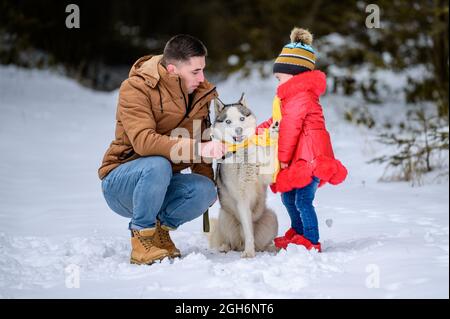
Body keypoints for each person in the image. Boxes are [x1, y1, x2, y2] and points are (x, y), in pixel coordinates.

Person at [98, 34, 226, 265]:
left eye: (203, 70)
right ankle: (141, 239)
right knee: (157, 163)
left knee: (205, 189)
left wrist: (206, 196)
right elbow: (144, 142)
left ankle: (159, 232)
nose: (202, 78)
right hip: (121, 183)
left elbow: (202, 145)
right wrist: (199, 148)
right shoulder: (136, 88)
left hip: (161, 183)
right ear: (172, 70)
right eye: (195, 72)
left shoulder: (199, 94)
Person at [256, 27, 348, 252]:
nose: (277, 83)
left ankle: (311, 240)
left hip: (310, 158)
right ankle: (297, 233)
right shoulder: (290, 98)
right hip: (299, 159)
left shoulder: (301, 96)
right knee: (289, 199)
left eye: (279, 77)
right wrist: (256, 132)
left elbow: (289, 128)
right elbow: (277, 121)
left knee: (302, 201)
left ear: (294, 75)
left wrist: (283, 158)